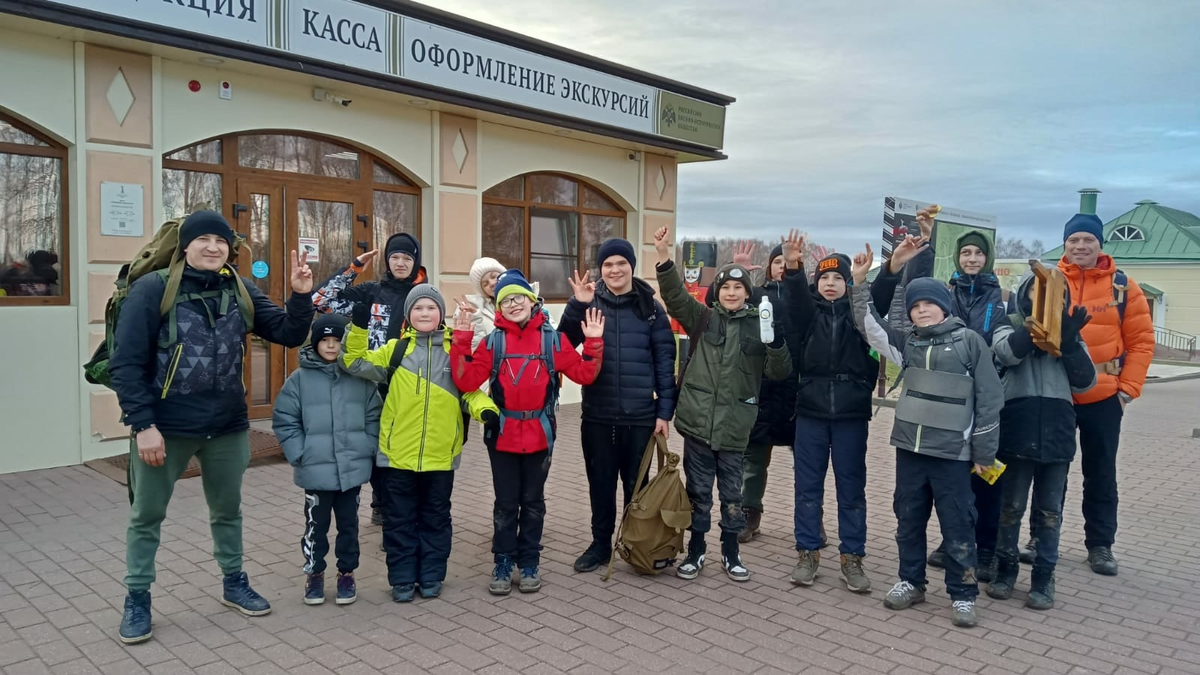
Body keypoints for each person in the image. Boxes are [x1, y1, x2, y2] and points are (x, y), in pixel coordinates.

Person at [109, 210, 315, 644]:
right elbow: (125, 364)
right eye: (202, 239)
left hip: (226, 427)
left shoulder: (237, 287)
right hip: (166, 428)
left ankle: (233, 582)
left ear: (229, 248)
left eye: (220, 241)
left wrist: (300, 296)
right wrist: (143, 424)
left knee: (227, 511)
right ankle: (137, 598)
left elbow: (287, 333)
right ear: (185, 246)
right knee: (147, 515)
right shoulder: (153, 289)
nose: (213, 247)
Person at [852, 263, 1004, 628]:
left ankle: (963, 594)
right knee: (908, 520)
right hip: (910, 451)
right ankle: (911, 580)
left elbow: (989, 398)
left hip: (953, 455)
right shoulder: (908, 343)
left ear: (945, 307)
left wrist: (983, 452)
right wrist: (859, 285)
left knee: (958, 525)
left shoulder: (969, 343)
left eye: (928, 304)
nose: (921, 310)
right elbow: (869, 325)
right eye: (915, 305)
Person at [450, 270, 606, 595]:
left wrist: (593, 342)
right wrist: (462, 335)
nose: (513, 304)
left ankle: (530, 561)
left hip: (540, 436)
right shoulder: (494, 342)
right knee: (506, 504)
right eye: (506, 300)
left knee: (533, 502)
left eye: (519, 297)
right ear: (499, 307)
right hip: (502, 436)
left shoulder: (552, 340)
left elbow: (584, 374)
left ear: (532, 301)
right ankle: (503, 562)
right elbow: (466, 380)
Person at [871, 206, 1005, 580]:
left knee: (973, 502)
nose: (972, 259)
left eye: (978, 253)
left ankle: (980, 563)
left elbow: (992, 390)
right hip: (920, 438)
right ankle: (917, 576)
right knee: (916, 512)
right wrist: (923, 244)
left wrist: (984, 447)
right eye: (966, 253)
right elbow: (920, 286)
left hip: (967, 424)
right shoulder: (944, 295)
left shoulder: (996, 301)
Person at [652, 226, 791, 583]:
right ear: (718, 291)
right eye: (726, 287)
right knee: (698, 492)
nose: (731, 292)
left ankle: (731, 553)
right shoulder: (702, 318)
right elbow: (673, 294)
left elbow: (778, 372)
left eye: (739, 287)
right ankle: (696, 552)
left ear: (748, 292)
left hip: (734, 427)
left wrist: (774, 342)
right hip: (698, 425)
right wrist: (665, 255)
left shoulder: (759, 327)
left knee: (733, 495)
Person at [342, 285, 497, 602]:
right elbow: (354, 362)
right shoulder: (395, 351)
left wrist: (487, 410)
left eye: (431, 308)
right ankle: (401, 579)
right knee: (399, 521)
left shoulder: (455, 349)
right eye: (418, 308)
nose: (424, 313)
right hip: (398, 456)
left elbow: (469, 390)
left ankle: (430, 576)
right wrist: (358, 325)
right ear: (408, 315)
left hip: (441, 456)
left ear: (441, 314)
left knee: (435, 519)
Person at [558, 238, 678, 573]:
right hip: (598, 415)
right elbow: (562, 345)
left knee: (636, 488)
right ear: (601, 270)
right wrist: (576, 305)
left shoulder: (651, 309)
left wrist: (664, 412)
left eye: (621, 263)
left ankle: (636, 542)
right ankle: (599, 544)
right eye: (608, 265)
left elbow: (664, 361)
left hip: (641, 417)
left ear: (631, 266)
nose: (614, 270)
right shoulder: (590, 303)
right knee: (600, 483)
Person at [1048, 213, 1154, 576]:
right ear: (1065, 245)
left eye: (1087, 241)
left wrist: (1127, 391)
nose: (1080, 247)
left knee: (1101, 474)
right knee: (1051, 472)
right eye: (1073, 241)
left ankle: (1100, 546)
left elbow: (1141, 343)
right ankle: (1042, 538)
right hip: (1057, 394)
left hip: (1104, 396)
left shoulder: (1123, 287)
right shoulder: (1050, 282)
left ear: (1099, 244)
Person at [987, 273, 1096, 609]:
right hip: (1017, 428)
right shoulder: (1011, 321)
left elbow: (1085, 382)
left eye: (1055, 292)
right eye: (1039, 289)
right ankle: (1004, 570)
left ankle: (1044, 577)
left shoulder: (1072, 333)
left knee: (1050, 512)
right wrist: (1037, 328)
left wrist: (1070, 341)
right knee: (1011, 508)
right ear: (1026, 291)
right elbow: (1005, 353)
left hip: (1056, 431)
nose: (1046, 296)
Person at [782, 234, 879, 594]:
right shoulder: (809, 315)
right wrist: (793, 266)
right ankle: (807, 552)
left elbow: (879, 298)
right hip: (810, 412)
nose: (831, 284)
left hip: (852, 413)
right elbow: (794, 300)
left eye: (838, 277)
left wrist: (863, 280)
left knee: (851, 488)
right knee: (807, 487)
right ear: (816, 283)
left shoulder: (861, 317)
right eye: (824, 278)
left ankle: (852, 557)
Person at [312, 233, 427, 528]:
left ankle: (402, 505)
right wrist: (352, 269)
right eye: (395, 257)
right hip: (370, 381)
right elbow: (319, 301)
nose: (401, 263)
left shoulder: (422, 296)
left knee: (401, 446)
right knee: (375, 446)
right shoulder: (371, 291)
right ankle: (381, 503)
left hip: (406, 380)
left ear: (416, 262)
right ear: (387, 260)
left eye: (407, 258)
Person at [272, 314, 381, 607]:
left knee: (349, 525)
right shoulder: (300, 379)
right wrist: (299, 452)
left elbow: (374, 415)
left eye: (337, 341)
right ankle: (315, 572)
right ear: (316, 343)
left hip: (351, 469)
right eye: (326, 341)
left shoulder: (358, 376)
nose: (331, 346)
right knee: (315, 526)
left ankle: (346, 572)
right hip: (315, 469)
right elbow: (285, 419)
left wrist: (367, 446)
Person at [736, 243, 801, 545]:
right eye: (777, 261)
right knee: (753, 461)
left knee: (807, 464)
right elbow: (718, 301)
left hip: (795, 392)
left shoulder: (805, 298)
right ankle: (750, 512)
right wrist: (738, 270)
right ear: (769, 266)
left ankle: (809, 518)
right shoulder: (756, 296)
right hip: (761, 390)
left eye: (786, 262)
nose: (781, 266)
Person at [453, 256, 548, 353]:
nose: (492, 283)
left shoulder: (532, 303)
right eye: (485, 284)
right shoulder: (478, 311)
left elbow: (554, 340)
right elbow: (478, 353)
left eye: (494, 276)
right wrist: (474, 318)